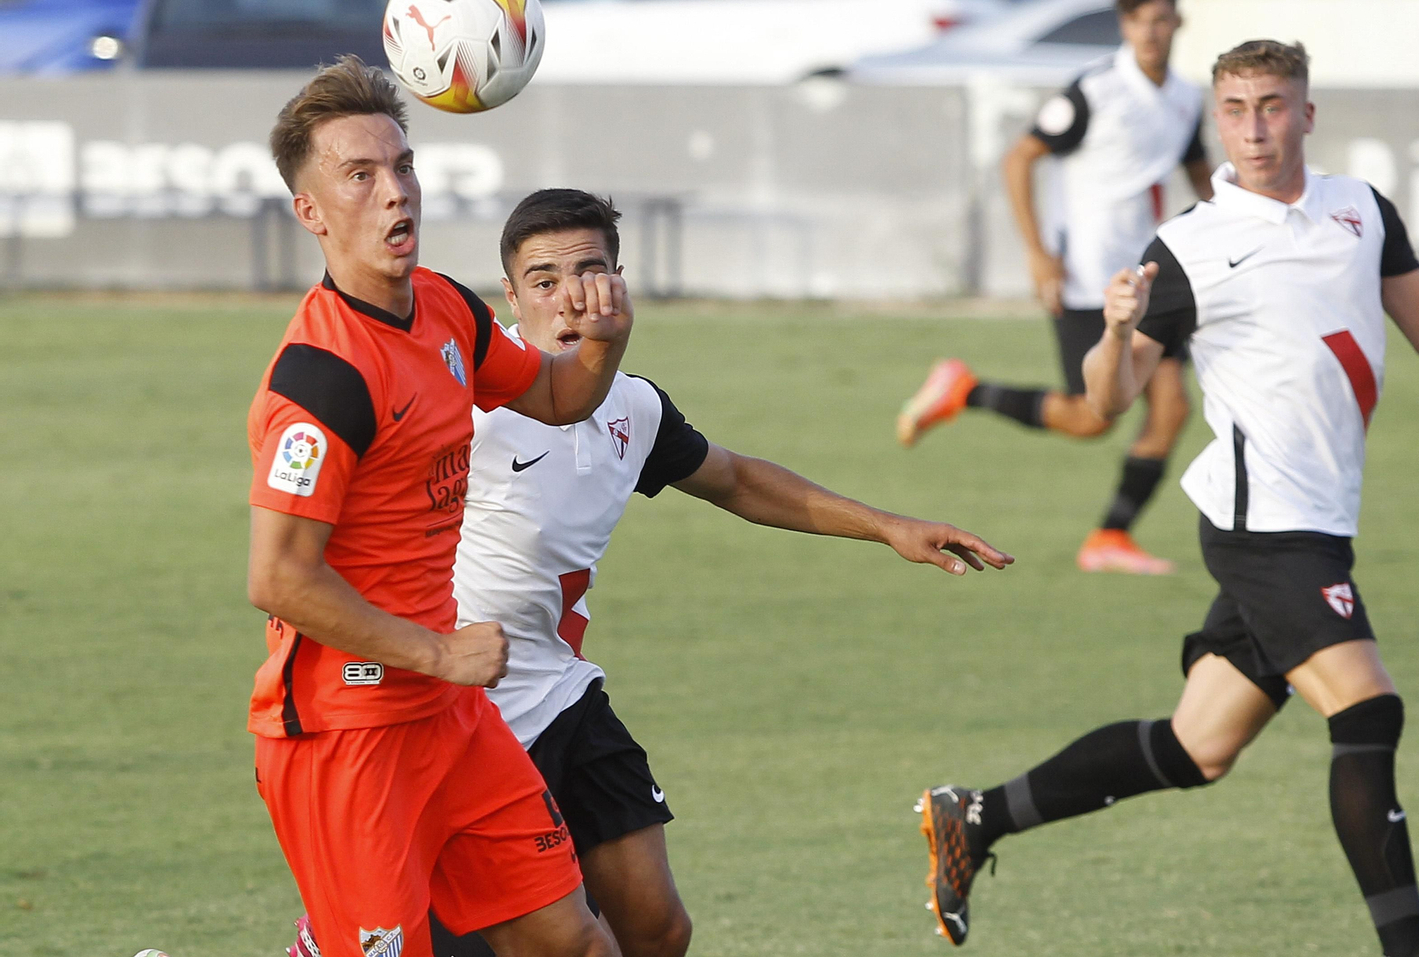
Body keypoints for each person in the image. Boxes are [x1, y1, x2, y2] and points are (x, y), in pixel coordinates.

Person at [916, 40, 1419, 957]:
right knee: (1368, 709)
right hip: (1264, 526)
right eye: (1237, 109)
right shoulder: (1189, 247)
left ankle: (977, 815)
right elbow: (1108, 399)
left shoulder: (1362, 210)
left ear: (1306, 114)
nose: (1255, 128)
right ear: (1217, 119)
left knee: (1196, 747)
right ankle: (1413, 949)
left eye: (1273, 105)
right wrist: (1117, 329)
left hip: (1322, 517)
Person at [394, 188, 1007, 957]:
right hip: (467, 714)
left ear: (620, 281)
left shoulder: (635, 409)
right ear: (511, 299)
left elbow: (737, 480)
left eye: (590, 271)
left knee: (658, 929)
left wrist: (888, 527)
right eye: (544, 281)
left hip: (561, 694)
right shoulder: (466, 405)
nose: (571, 296)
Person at [247, 57, 633, 957]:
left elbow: (556, 395)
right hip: (346, 734)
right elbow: (278, 579)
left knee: (576, 943)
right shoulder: (321, 379)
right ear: (311, 212)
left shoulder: (445, 307)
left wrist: (603, 344)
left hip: (451, 720)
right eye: (360, 175)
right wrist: (438, 651)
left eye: (403, 165)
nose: (395, 192)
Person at [897, 0, 1212, 575]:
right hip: (1089, 276)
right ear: (1124, 26)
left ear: (1179, 22)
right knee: (1091, 418)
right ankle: (965, 390)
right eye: (1139, 22)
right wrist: (1038, 251)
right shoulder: (1095, 91)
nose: (1151, 33)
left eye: (1161, 20)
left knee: (1171, 408)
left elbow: (1200, 175)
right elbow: (1020, 158)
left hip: (1153, 276)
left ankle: (1109, 538)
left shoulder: (1184, 97)